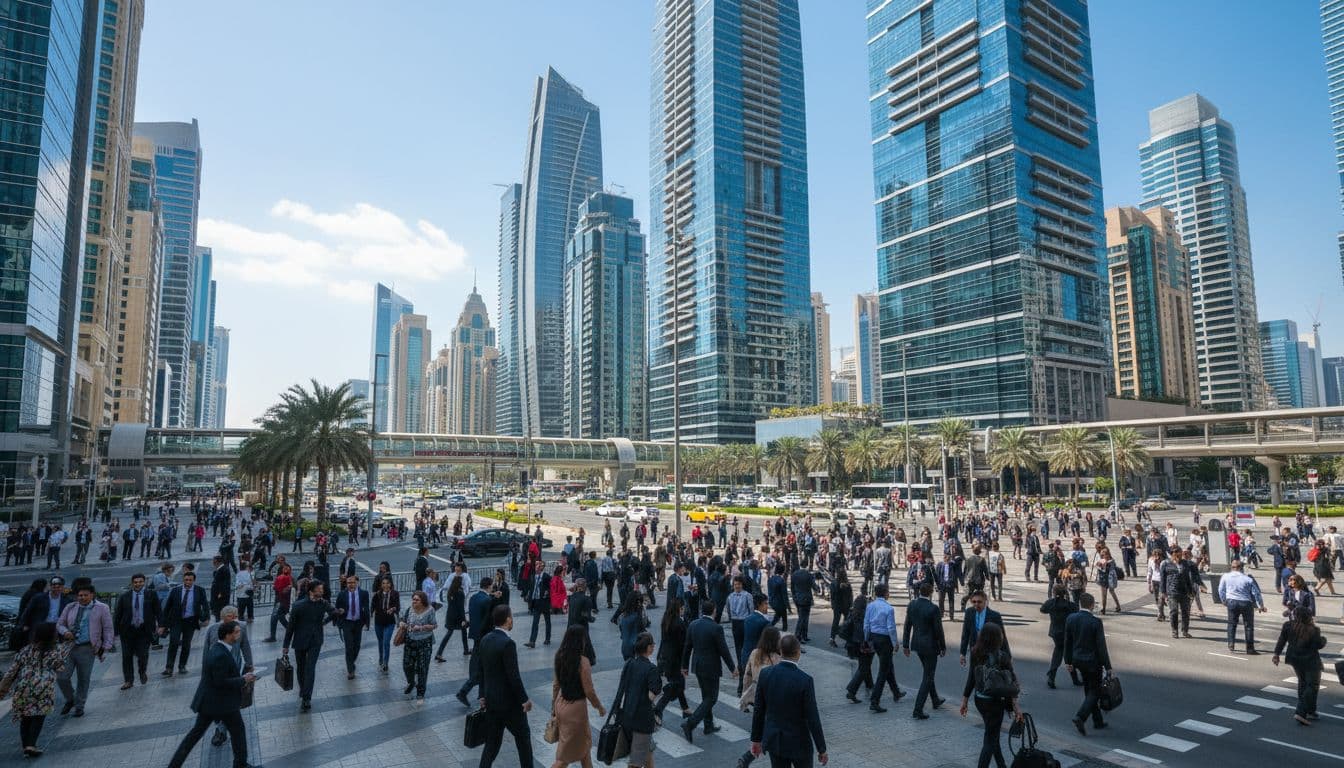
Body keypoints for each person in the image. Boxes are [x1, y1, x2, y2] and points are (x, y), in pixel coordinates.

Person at [166, 621, 259, 768]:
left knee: (198, 734)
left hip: (214, 702)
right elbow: (220, 682)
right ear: (228, 635)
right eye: (236, 632)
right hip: (219, 703)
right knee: (234, 731)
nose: (239, 634)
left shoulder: (220, 648)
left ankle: (174, 765)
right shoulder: (220, 654)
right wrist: (243, 679)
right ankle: (240, 764)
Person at [749, 634, 828, 768]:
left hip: (775, 741)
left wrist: (756, 739)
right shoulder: (805, 680)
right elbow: (812, 717)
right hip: (799, 743)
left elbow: (759, 710)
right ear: (798, 653)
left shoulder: (766, 674)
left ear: (780, 651)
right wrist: (822, 749)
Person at [476, 605, 533, 768]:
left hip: (491, 701)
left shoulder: (485, 639)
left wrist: (482, 695)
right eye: (512, 616)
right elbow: (513, 676)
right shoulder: (508, 643)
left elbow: (481, 671)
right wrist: (525, 699)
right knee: (523, 739)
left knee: (491, 744)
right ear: (508, 619)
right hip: (510, 704)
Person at [0, 622, 69, 758]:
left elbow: (13, 670)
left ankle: (26, 745)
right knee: (38, 716)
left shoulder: (26, 650)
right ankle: (31, 745)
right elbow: (60, 667)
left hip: (24, 687)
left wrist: (3, 687)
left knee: (25, 716)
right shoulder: (55, 651)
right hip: (44, 688)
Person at [959, 622, 1023, 768]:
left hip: (980, 700)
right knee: (990, 739)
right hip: (996, 703)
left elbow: (971, 678)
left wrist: (964, 700)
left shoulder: (975, 653)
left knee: (992, 735)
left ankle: (1002, 765)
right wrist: (1016, 707)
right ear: (998, 638)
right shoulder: (1003, 656)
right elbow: (1011, 683)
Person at [679, 600, 737, 743]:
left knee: (706, 696)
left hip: (698, 666)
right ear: (714, 611)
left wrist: (684, 666)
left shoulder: (693, 625)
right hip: (711, 667)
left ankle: (708, 725)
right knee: (711, 698)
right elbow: (724, 650)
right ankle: (690, 723)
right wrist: (733, 668)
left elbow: (687, 648)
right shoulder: (716, 628)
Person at [548, 625, 605, 768]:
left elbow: (556, 685)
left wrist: (554, 708)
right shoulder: (582, 661)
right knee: (564, 757)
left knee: (584, 747)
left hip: (561, 704)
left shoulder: (559, 656)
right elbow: (589, 690)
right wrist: (599, 706)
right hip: (576, 710)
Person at [54, 583, 113, 717]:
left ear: (92, 595)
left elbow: (108, 628)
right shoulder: (70, 607)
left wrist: (106, 647)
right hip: (69, 646)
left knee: (83, 678)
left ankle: (79, 705)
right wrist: (65, 632)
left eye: (85, 595)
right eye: (80, 595)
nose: (82, 598)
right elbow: (60, 624)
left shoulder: (102, 608)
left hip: (87, 648)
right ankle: (70, 699)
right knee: (62, 676)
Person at [282, 579, 337, 711]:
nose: (322, 591)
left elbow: (333, 612)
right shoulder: (298, 606)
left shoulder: (323, 603)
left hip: (315, 641)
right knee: (301, 668)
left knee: (310, 668)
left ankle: (307, 698)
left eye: (322, 589)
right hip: (300, 640)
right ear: (312, 591)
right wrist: (285, 645)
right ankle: (303, 689)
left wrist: (325, 621)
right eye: (319, 589)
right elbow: (291, 627)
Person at [1064, 593, 1112, 735]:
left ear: (1080, 604)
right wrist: (1108, 666)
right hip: (1093, 661)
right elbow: (1101, 647)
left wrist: (1068, 661)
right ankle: (1081, 716)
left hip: (1077, 659)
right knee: (1095, 692)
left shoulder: (1071, 618)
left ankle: (1098, 721)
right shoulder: (1095, 622)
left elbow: (1067, 642)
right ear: (1091, 605)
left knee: (1089, 690)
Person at [1271, 606, 1328, 726]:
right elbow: (1318, 645)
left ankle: (1311, 710)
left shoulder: (1288, 625)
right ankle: (1301, 712)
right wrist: (1324, 639)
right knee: (1312, 685)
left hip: (1294, 659)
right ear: (1308, 617)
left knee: (1303, 683)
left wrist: (1276, 654)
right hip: (1310, 661)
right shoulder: (1313, 630)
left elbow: (1282, 640)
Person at [618, 632, 663, 768]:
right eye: (652, 645)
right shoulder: (651, 669)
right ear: (649, 648)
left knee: (647, 754)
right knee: (636, 763)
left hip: (627, 715)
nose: (654, 647)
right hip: (642, 720)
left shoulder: (629, 664)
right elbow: (652, 694)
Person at [902, 582, 946, 719]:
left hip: (917, 644)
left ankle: (935, 699)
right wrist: (943, 646)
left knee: (928, 672)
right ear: (931, 593)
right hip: (930, 646)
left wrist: (905, 645)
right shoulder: (933, 608)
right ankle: (918, 709)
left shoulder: (912, 604)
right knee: (928, 677)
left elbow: (907, 626)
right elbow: (939, 630)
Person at [862, 583, 905, 713]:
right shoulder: (888, 608)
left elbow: (866, 624)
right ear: (885, 593)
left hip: (874, 637)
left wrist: (866, 639)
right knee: (883, 670)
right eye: (888, 591)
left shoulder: (870, 606)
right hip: (885, 639)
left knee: (888, 665)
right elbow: (891, 628)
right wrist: (895, 643)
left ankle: (896, 691)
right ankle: (875, 700)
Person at [114, 573, 161, 690]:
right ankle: (128, 680)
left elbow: (158, 611)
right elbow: (117, 615)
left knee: (143, 655)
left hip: (144, 631)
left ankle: (142, 671)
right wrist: (114, 632)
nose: (138, 584)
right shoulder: (124, 596)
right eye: (135, 582)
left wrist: (162, 625)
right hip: (127, 631)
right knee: (126, 656)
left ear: (144, 582)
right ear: (132, 583)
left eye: (140, 582)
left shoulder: (151, 594)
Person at [161, 571, 210, 676]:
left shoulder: (199, 590)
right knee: (173, 642)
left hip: (190, 621)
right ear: (183, 580)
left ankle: (182, 666)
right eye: (186, 580)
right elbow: (167, 607)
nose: (187, 582)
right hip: (176, 621)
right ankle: (169, 667)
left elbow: (205, 605)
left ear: (194, 580)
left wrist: (206, 618)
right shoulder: (175, 591)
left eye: (190, 580)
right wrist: (163, 624)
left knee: (186, 644)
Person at [1217, 559, 1267, 654]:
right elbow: (1256, 593)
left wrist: (1223, 600)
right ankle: (1250, 648)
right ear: (1241, 568)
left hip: (1232, 601)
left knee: (1232, 624)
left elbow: (1220, 590)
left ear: (1232, 567)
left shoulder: (1225, 576)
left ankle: (1231, 644)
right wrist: (1261, 605)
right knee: (1248, 626)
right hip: (1245, 602)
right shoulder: (1247, 578)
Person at [654, 597, 690, 719]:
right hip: (675, 660)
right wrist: (684, 664)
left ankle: (685, 709)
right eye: (683, 608)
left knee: (678, 684)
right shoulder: (679, 623)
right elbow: (683, 645)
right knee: (676, 685)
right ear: (679, 609)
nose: (684, 611)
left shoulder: (666, 620)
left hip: (665, 657)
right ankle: (659, 708)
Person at [1039, 586, 1080, 688]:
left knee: (1058, 652)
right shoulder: (1069, 605)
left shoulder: (1051, 603)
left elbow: (1042, 609)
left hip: (1055, 632)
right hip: (1067, 633)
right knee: (1068, 655)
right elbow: (1076, 611)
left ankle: (1052, 676)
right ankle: (1074, 678)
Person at [400, 590, 437, 701]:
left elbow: (434, 625)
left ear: (422, 601)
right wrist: (402, 623)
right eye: (413, 599)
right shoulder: (410, 609)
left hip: (425, 642)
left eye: (417, 600)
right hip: (410, 641)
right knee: (407, 665)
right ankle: (411, 682)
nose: (414, 601)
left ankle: (420, 691)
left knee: (422, 668)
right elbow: (402, 619)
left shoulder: (430, 610)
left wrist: (421, 628)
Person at [334, 574, 370, 679]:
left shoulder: (364, 593)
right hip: (347, 622)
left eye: (353, 582)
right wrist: (338, 621)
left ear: (357, 582)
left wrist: (367, 623)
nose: (351, 584)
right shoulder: (341, 594)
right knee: (349, 647)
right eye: (349, 582)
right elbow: (337, 608)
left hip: (358, 623)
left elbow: (366, 608)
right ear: (346, 583)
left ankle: (351, 662)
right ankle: (350, 670)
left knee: (357, 646)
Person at [739, 626, 782, 714]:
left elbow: (747, 676)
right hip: (771, 697)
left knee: (757, 721)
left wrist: (745, 695)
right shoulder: (779, 658)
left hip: (757, 694)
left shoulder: (754, 653)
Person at [18, 577, 72, 646]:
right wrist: (24, 624)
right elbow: (28, 611)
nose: (56, 589)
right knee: (37, 646)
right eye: (54, 586)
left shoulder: (66, 599)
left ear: (62, 587)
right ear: (50, 586)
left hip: (57, 627)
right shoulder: (39, 597)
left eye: (59, 587)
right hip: (42, 627)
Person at [843, 594, 874, 703]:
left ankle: (870, 684)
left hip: (854, 644)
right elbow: (866, 631)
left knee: (864, 665)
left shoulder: (852, 613)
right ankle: (851, 691)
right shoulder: (865, 615)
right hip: (863, 644)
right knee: (864, 667)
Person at [740, 593, 770, 696]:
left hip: (745, 654)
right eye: (766, 604)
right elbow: (767, 643)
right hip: (758, 658)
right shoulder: (764, 622)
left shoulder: (747, 619)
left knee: (747, 681)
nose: (767, 606)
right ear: (760, 605)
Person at [373, 576, 402, 674]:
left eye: (387, 583)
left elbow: (398, 606)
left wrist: (393, 609)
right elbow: (372, 606)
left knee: (386, 642)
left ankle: (386, 663)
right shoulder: (377, 594)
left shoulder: (395, 594)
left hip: (390, 622)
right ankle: (381, 658)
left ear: (391, 584)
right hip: (378, 621)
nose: (385, 585)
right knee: (380, 642)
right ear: (381, 585)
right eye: (383, 583)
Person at [525, 561, 552, 648]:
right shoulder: (533, 576)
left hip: (544, 602)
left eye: (539, 565)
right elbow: (531, 588)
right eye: (536, 565)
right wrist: (529, 599)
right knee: (535, 622)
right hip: (536, 602)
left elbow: (551, 588)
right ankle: (532, 641)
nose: (537, 566)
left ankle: (547, 638)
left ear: (542, 567)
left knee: (547, 621)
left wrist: (547, 593)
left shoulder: (546, 577)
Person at [619, 592, 649, 661]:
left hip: (625, 647)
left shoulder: (623, 616)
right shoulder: (637, 616)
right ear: (638, 603)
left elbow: (622, 632)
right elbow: (643, 626)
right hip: (636, 648)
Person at [790, 564, 815, 643]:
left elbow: (792, 587)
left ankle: (802, 635)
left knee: (802, 617)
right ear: (807, 565)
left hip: (797, 598)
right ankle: (800, 635)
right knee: (804, 618)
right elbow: (813, 585)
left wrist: (795, 596)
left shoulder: (794, 574)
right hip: (806, 598)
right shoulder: (808, 575)